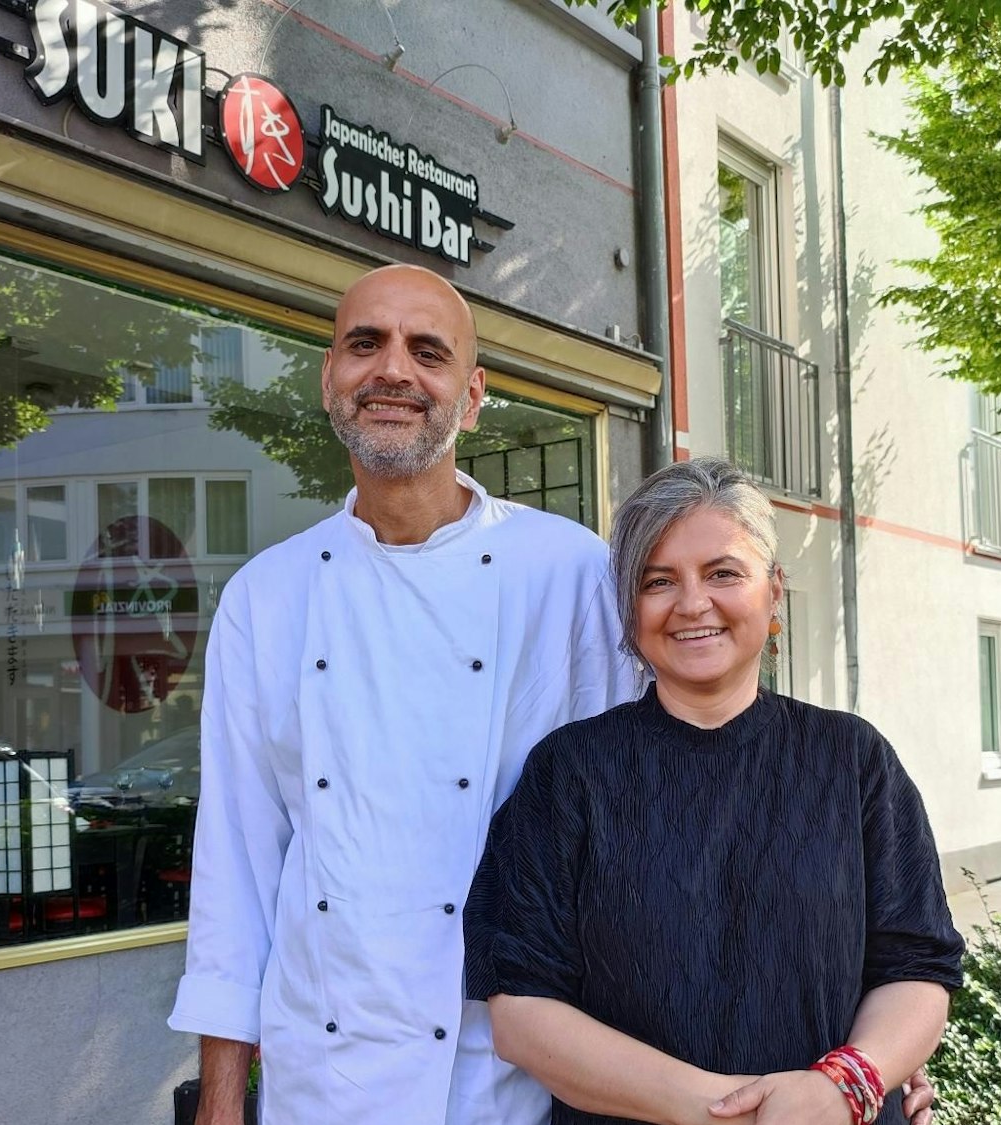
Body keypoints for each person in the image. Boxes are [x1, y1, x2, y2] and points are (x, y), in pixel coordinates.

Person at [167, 263, 639, 1125]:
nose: (393, 371)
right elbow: (236, 863)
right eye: (365, 344)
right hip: (324, 1076)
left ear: (473, 392)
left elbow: (647, 826)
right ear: (329, 378)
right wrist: (223, 1100)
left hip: (515, 1078)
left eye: (428, 351)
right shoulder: (265, 596)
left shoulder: (570, 574)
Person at [465, 458, 964, 1125]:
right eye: (658, 580)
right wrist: (731, 1111)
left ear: (775, 592)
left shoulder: (852, 760)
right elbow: (521, 1011)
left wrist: (843, 1084)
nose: (693, 603)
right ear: (629, 608)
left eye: (723, 572)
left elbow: (916, 966)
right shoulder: (569, 773)